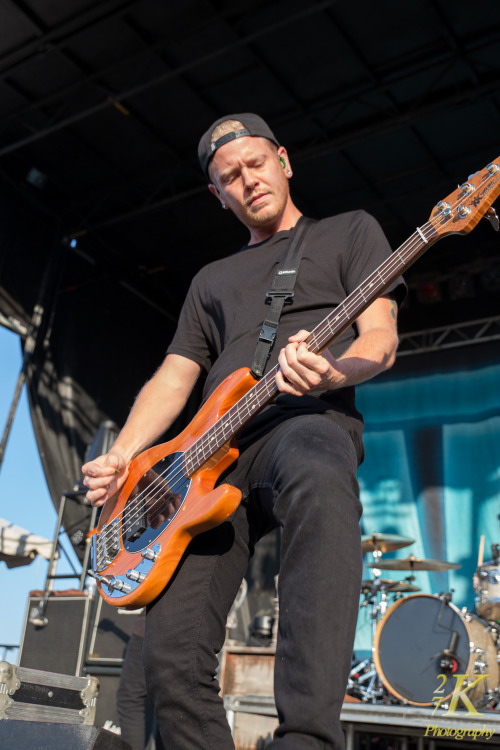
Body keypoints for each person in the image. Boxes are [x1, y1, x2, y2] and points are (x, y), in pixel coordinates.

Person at [82, 113, 406, 750]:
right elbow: (176, 377)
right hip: (207, 457)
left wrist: (329, 371)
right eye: (230, 177)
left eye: (256, 163)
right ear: (218, 195)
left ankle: (307, 738)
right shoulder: (210, 281)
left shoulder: (349, 232)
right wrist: (124, 453)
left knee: (317, 472)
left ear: (283, 160)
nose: (248, 180)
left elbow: (382, 339)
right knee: (170, 658)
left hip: (304, 417)